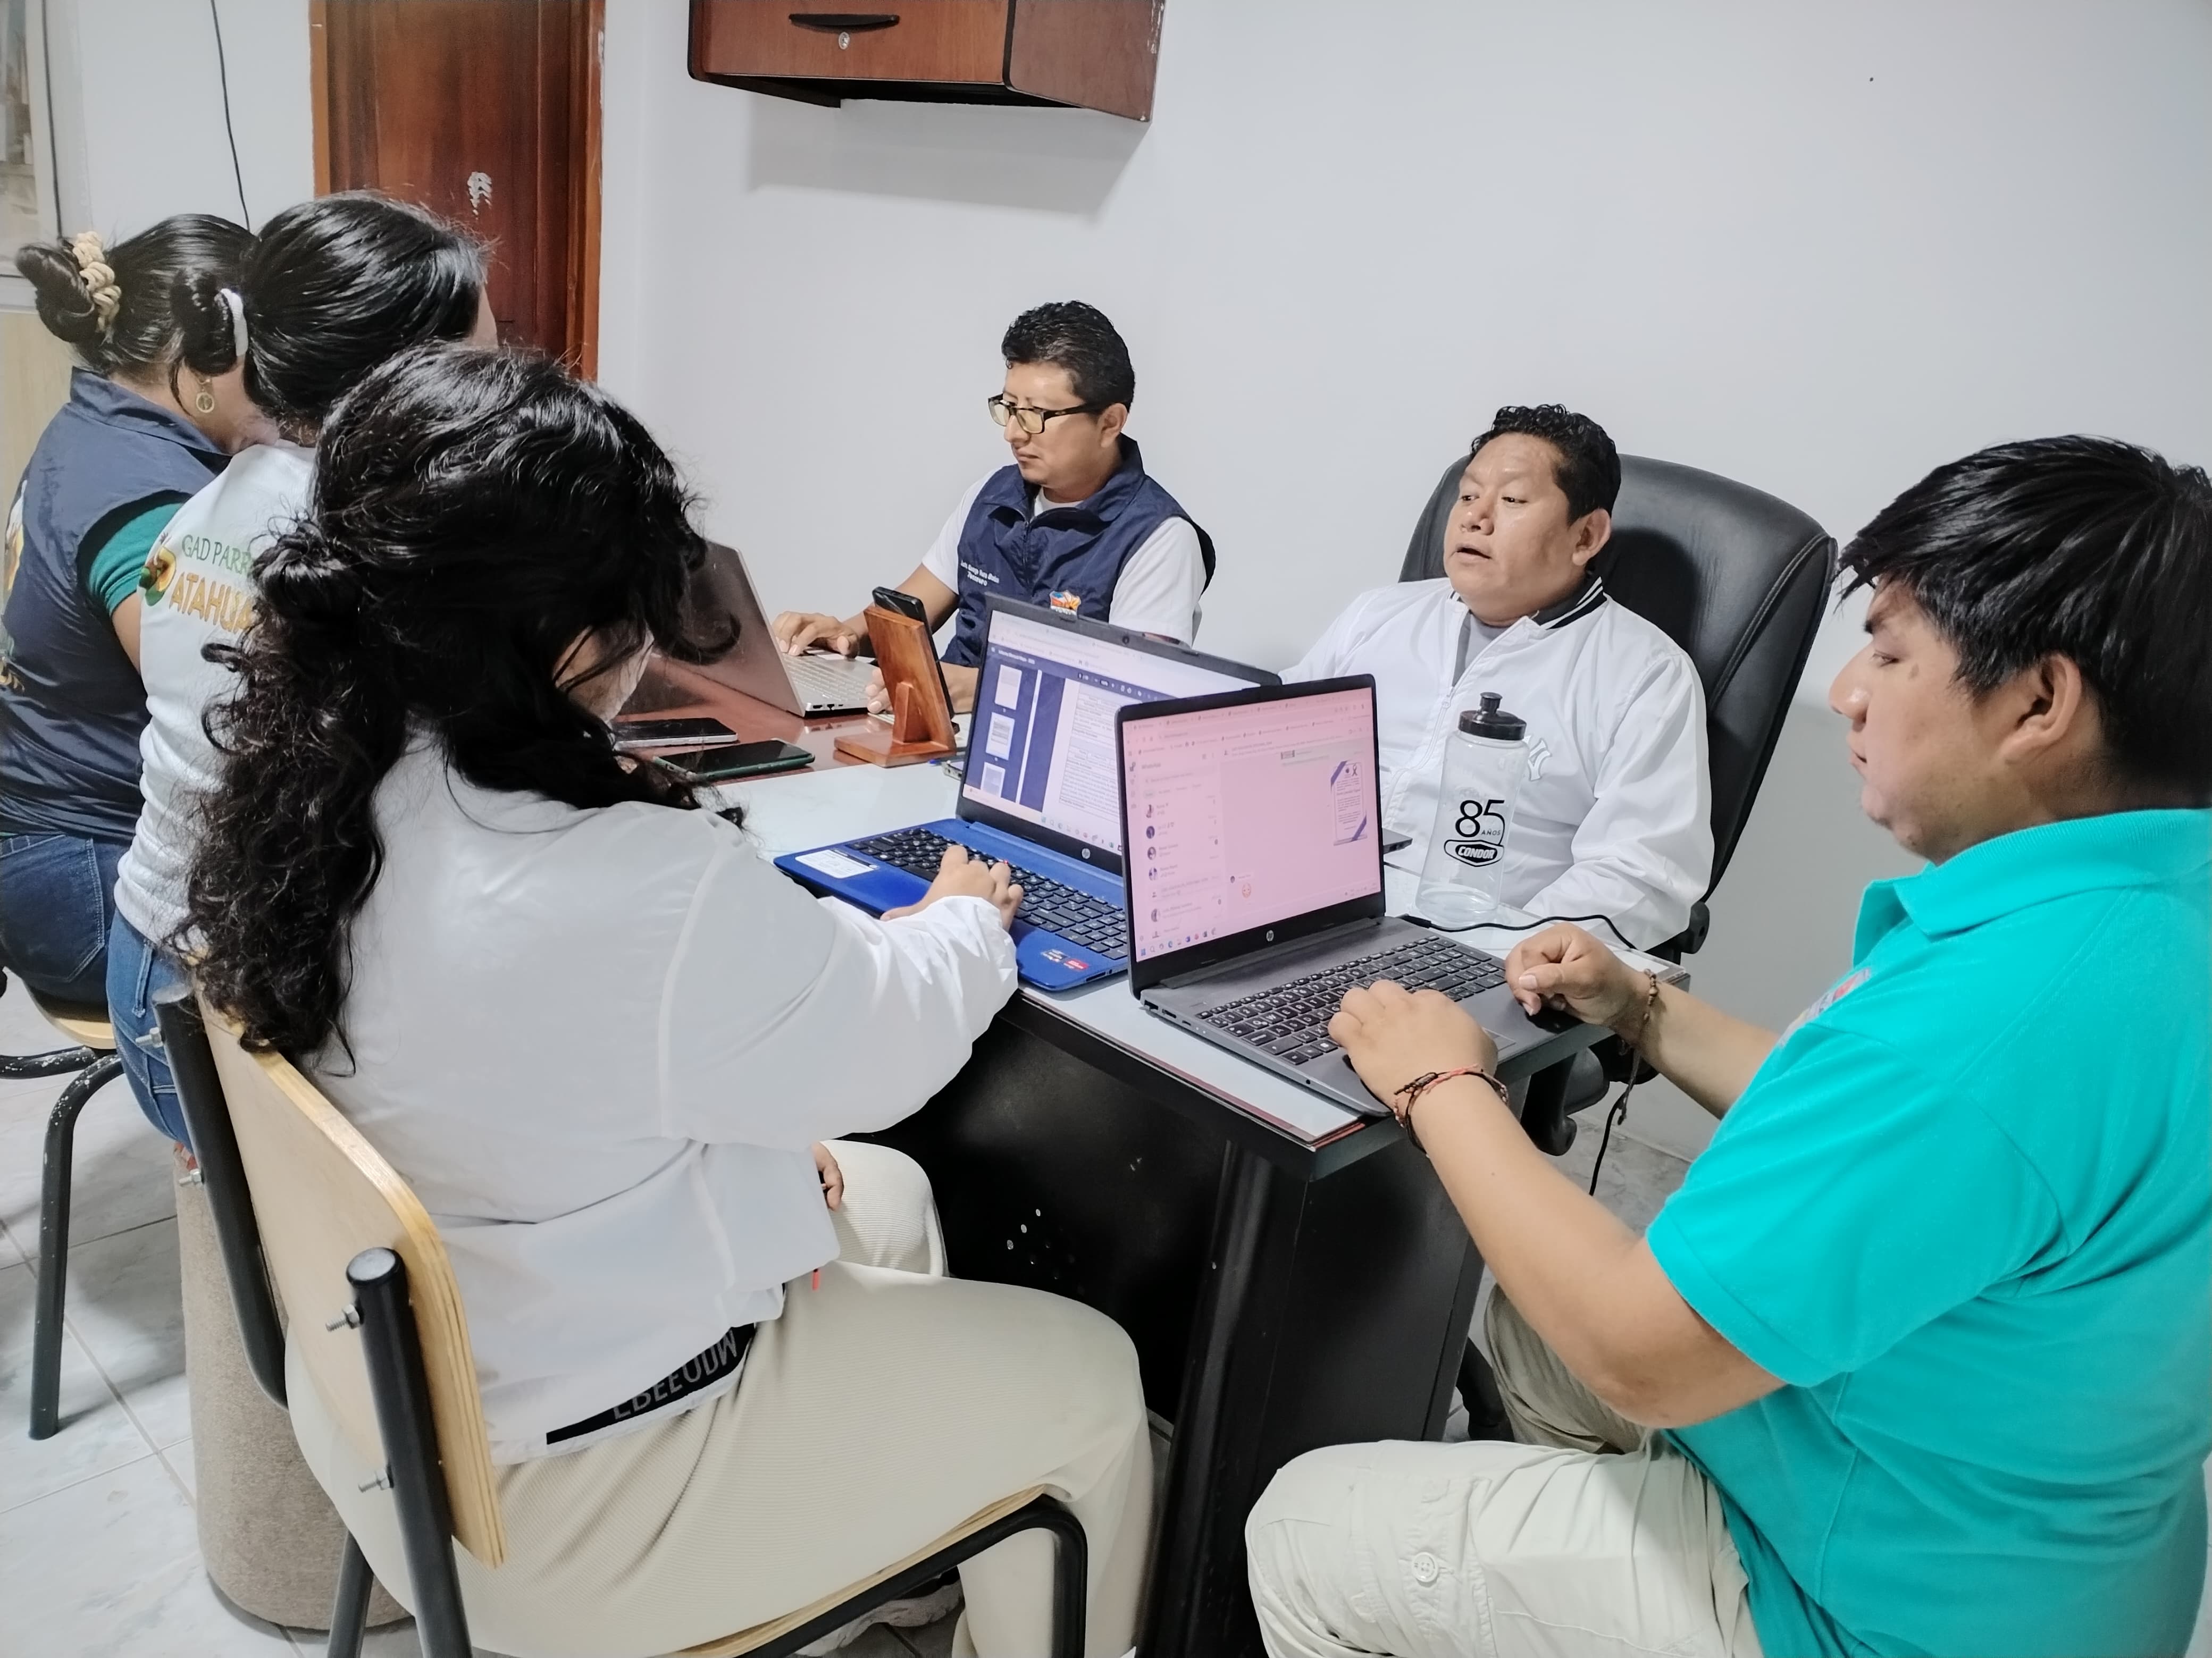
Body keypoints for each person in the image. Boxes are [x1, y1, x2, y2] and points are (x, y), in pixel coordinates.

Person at [185, 344, 1153, 1658]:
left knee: (887, 1196)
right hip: (573, 1508)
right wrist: (966, 921)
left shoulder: (317, 780)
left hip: (388, 1408)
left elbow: (542, 1049)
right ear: (570, 638)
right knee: (1091, 1372)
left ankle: (903, 1560)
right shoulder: (634, 879)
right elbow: (885, 1043)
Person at [1245, 435, 2212, 1657]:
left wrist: (1439, 1079)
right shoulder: (2135, 914)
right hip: (2023, 1526)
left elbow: (1642, 1351)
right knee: (1532, 1339)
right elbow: (1885, 1137)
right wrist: (1642, 1006)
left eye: (1890, 652)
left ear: (2038, 702)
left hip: (1874, 1603)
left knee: (1306, 1522)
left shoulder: (1991, 1016)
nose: (1849, 691)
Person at [105, 192, 491, 1144]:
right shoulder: (354, 545)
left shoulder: (207, 505)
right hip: (239, 1017)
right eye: (481, 371)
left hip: (153, 964)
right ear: (403, 382)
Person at [1289, 405, 1711, 948]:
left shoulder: (1645, 674)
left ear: (1585, 535)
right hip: (1310, 909)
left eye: (1511, 500)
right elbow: (1274, 735)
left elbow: (1639, 875)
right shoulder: (1379, 615)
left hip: (1477, 948)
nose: (1474, 518)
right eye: (1468, 495)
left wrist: (1503, 952)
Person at [0, 216, 254, 1005]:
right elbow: (221, 713)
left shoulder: (99, 429)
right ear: (202, 364)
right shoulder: (149, 499)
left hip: (39, 839)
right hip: (81, 876)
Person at [771, 300, 1214, 712]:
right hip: (939, 732)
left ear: (1110, 422)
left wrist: (982, 686)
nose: (1013, 434)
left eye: (1036, 415)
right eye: (1009, 408)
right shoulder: (992, 494)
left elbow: (1130, 699)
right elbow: (907, 612)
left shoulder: (1159, 538)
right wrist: (845, 635)